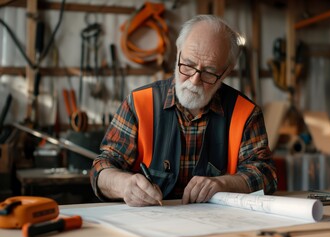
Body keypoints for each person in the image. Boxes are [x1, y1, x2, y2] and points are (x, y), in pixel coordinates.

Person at [90, 15, 277, 207]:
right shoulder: (139, 103)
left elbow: (266, 174)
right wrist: (124, 185)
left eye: (209, 72)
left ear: (226, 72)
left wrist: (223, 183)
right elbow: (101, 169)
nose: (194, 80)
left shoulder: (245, 113)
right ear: (178, 53)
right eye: (187, 65)